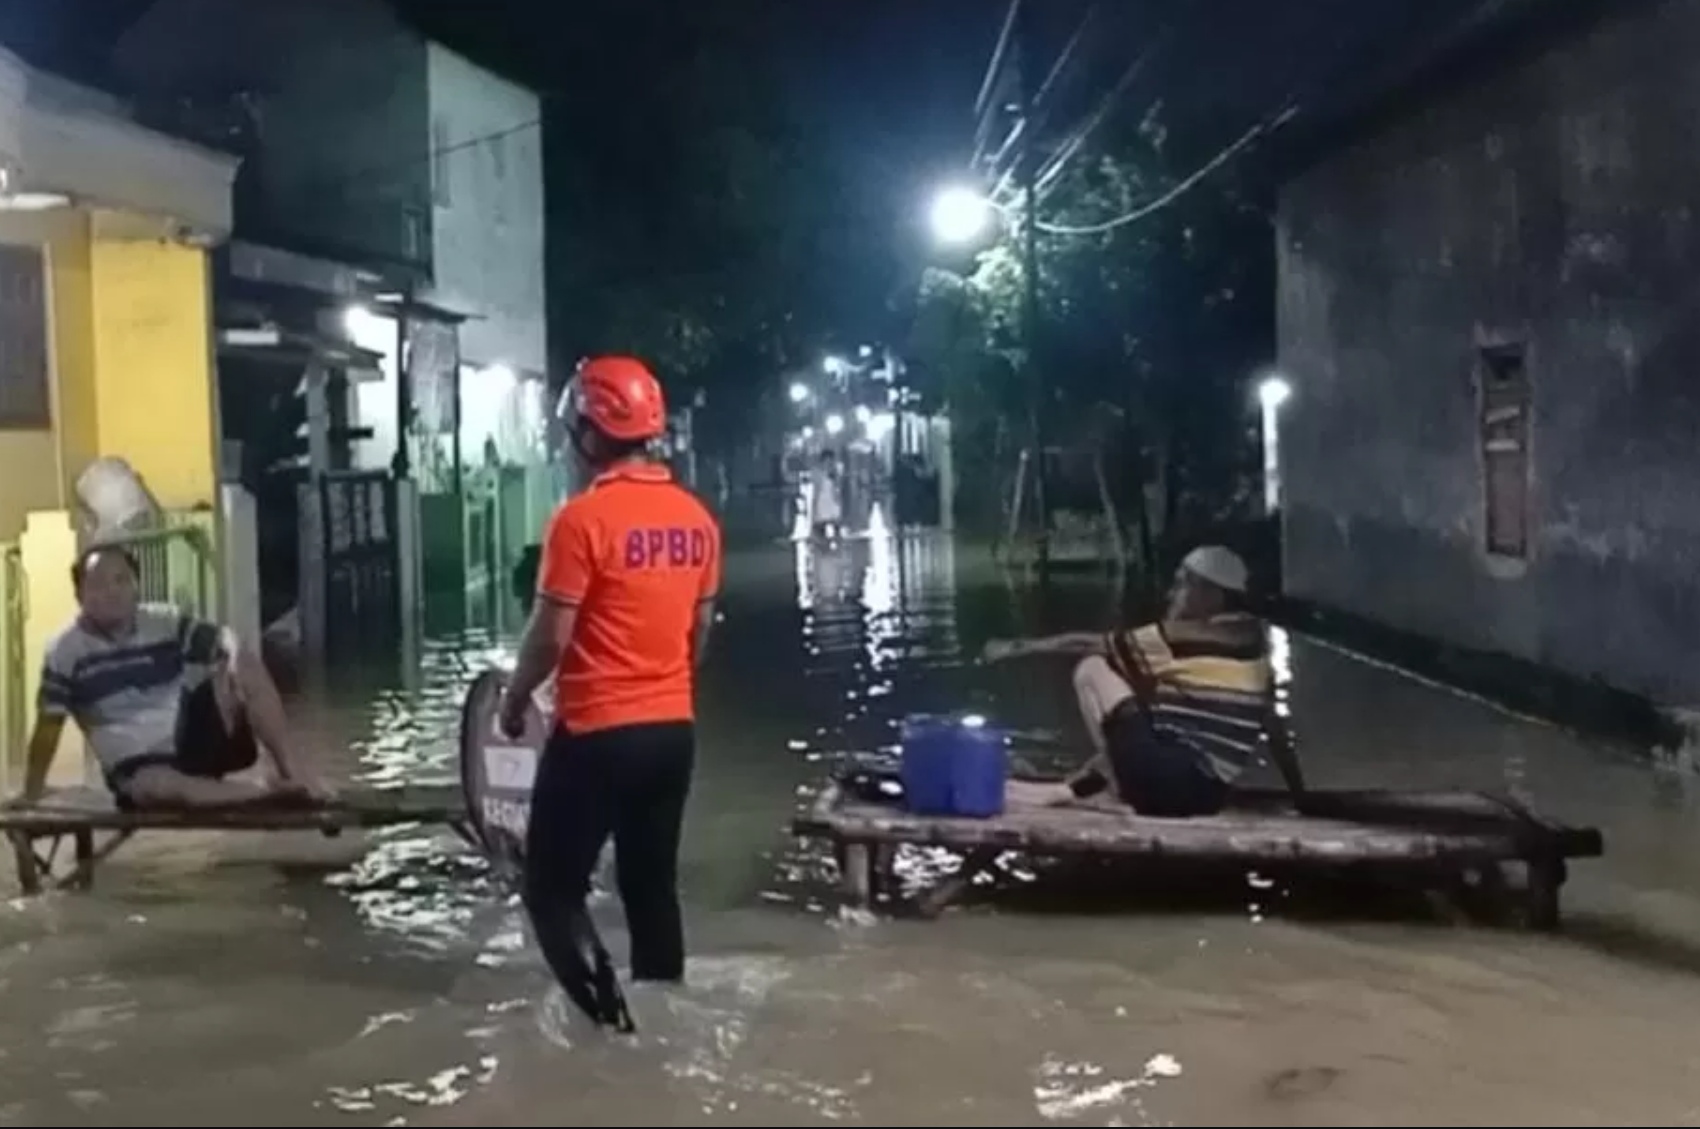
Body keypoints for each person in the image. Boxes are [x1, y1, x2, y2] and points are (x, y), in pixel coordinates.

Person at [498, 354, 721, 1004]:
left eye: (574, 433)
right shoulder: (698, 521)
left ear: (591, 436)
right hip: (673, 734)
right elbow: (697, 637)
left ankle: (610, 1036)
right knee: (651, 886)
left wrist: (513, 700)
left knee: (551, 891)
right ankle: (666, 1028)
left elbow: (549, 637)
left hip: (597, 732)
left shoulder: (579, 521)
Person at [12, 545, 329, 811]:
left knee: (243, 660)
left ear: (136, 584)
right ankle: (271, 795)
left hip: (191, 745)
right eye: (98, 585)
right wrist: (31, 792)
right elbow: (47, 729)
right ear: (80, 595)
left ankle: (293, 772)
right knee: (160, 786)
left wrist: (232, 652)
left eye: (121, 580)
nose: (112, 592)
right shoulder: (65, 651)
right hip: (139, 770)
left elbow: (223, 637)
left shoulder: (163, 621)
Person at [982, 545, 1274, 817]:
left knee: (1093, 669)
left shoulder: (1188, 636)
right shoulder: (1253, 638)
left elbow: (1089, 644)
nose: (1171, 594)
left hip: (1171, 784)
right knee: (1139, 696)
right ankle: (1075, 789)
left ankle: (1117, 791)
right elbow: (1271, 723)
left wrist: (1017, 648)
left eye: (1183, 584)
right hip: (1208, 797)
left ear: (1213, 595)